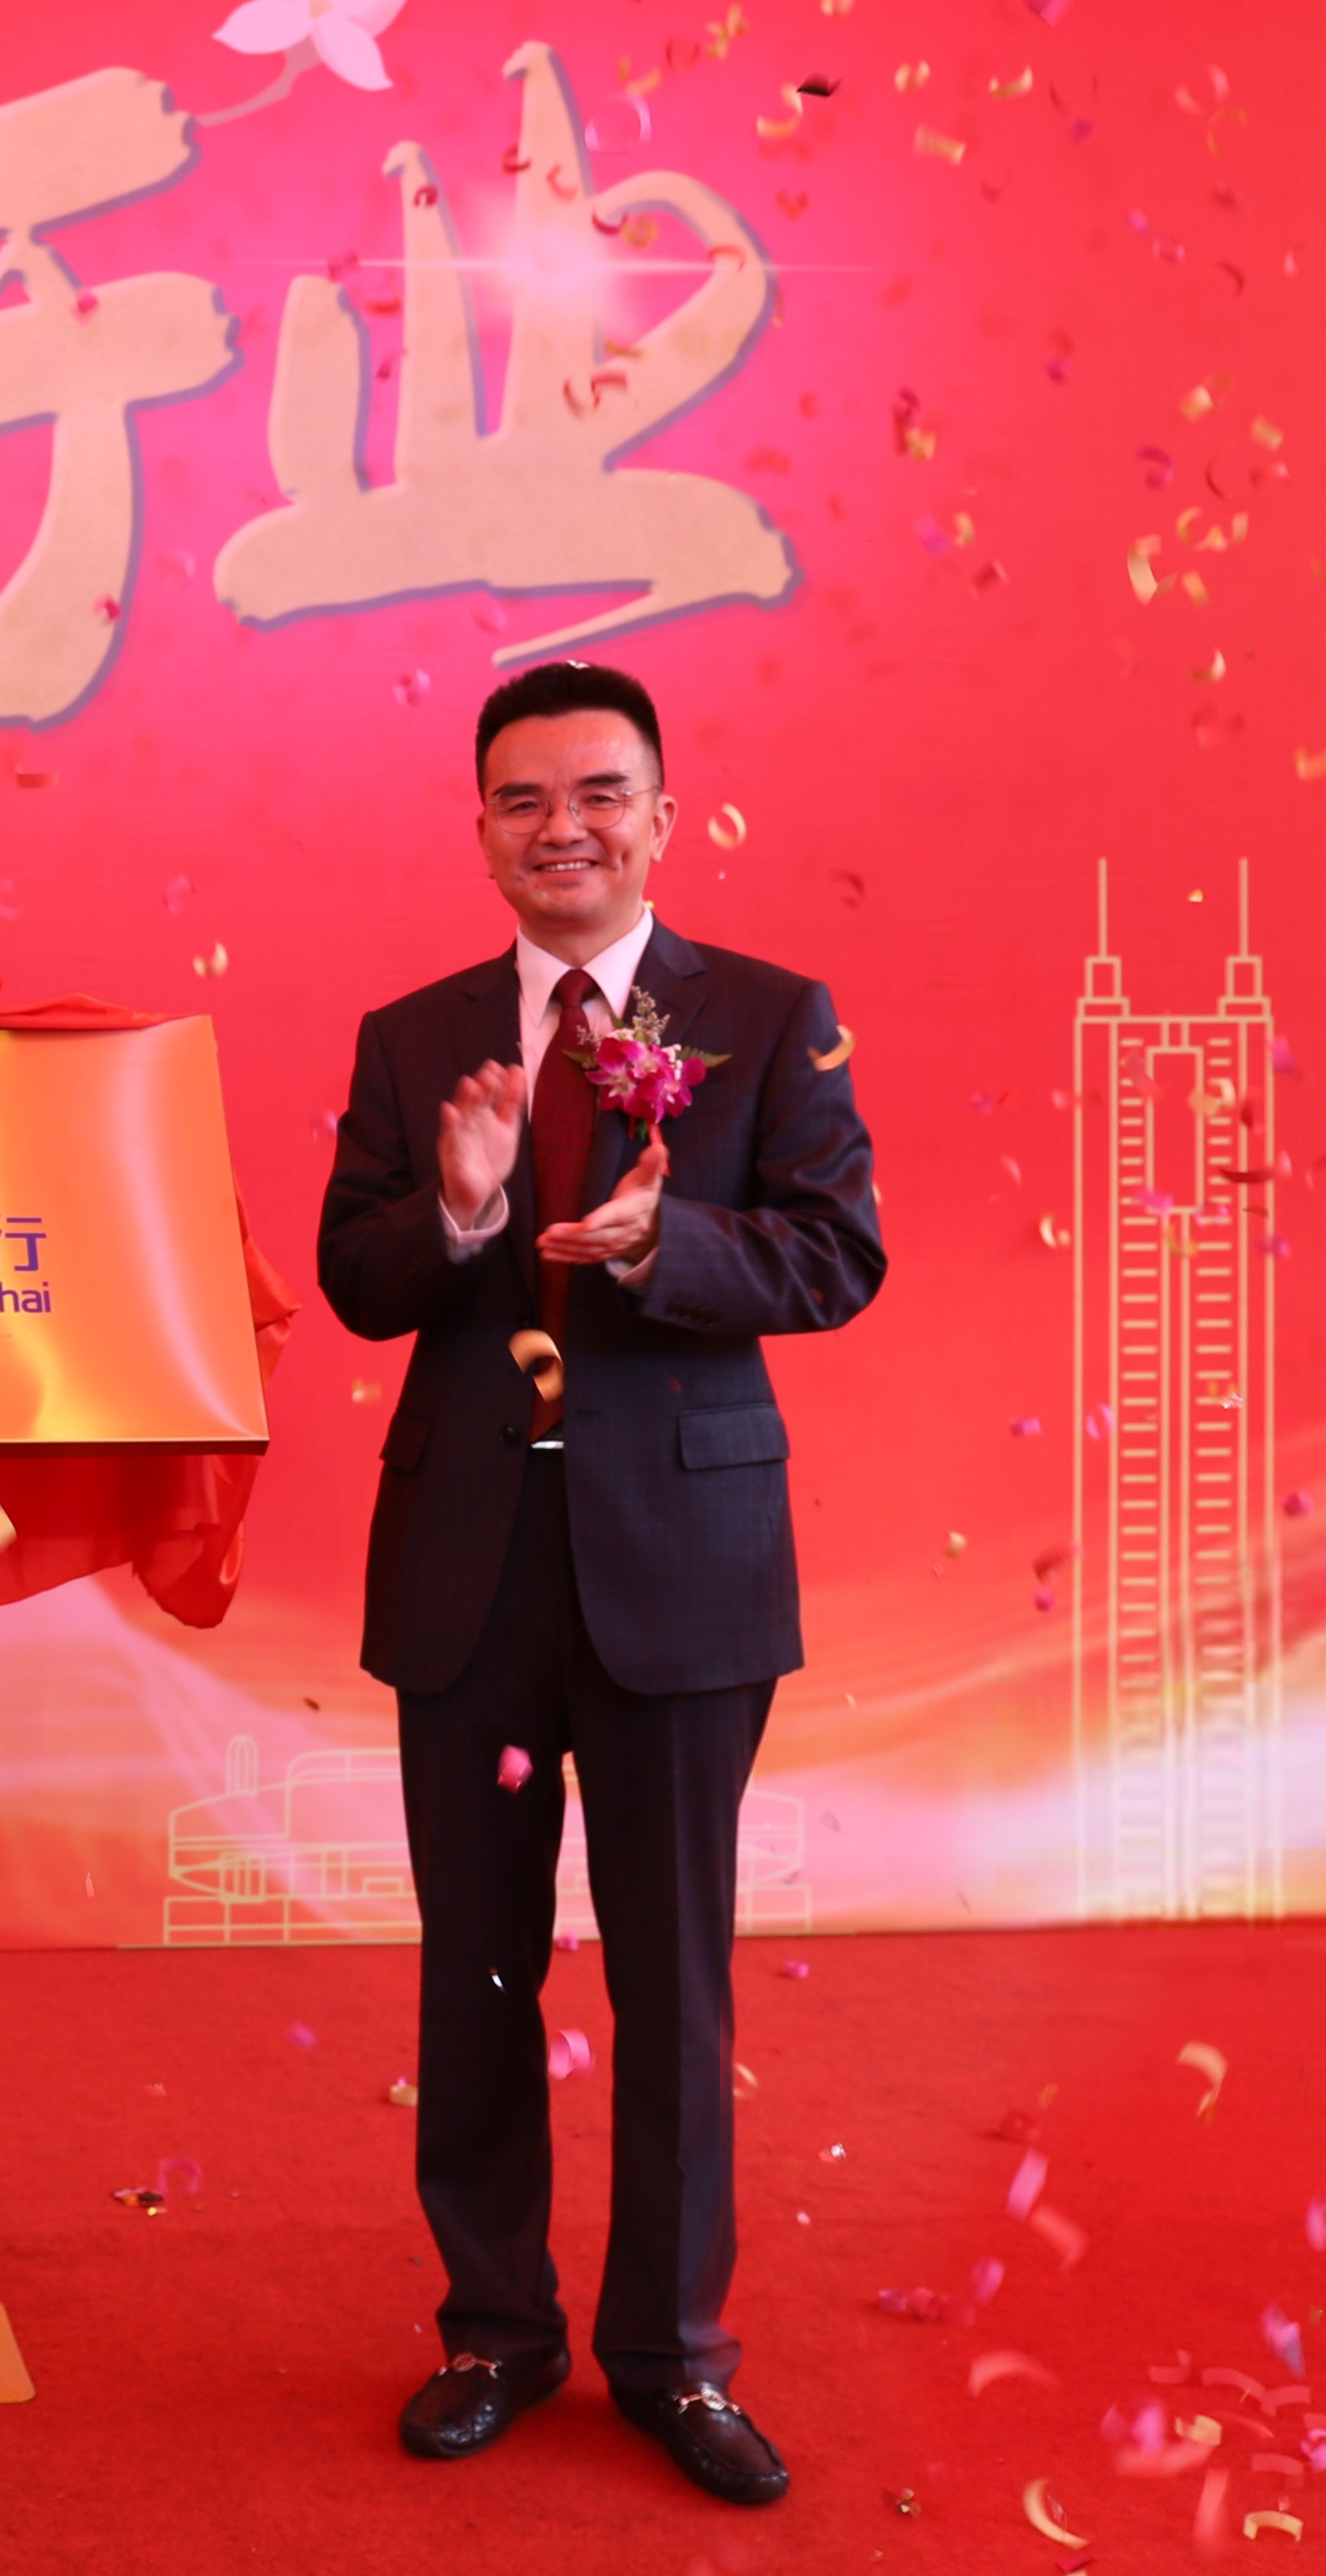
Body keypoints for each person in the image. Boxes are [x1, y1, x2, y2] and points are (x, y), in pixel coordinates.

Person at [312, 659, 885, 2507]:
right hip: (469, 1568)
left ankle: (674, 2355)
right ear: (482, 829)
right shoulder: (414, 1037)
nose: (562, 827)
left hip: (682, 1568)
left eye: (598, 794)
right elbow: (355, 1278)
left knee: (674, 1976)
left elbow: (837, 1253)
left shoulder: (768, 1016)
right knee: (475, 1967)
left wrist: (668, 1245)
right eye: (524, 800)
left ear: (662, 814)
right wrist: (462, 1209)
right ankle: (495, 2328)